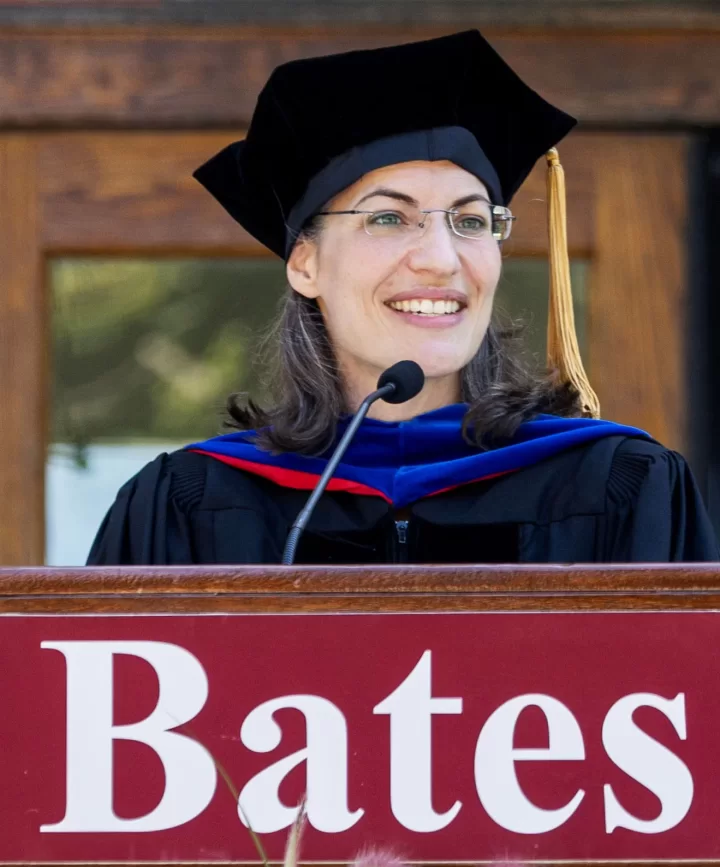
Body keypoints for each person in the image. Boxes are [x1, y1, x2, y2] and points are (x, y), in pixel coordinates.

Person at [88, 30, 719, 565]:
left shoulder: (617, 486)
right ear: (305, 264)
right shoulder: (185, 505)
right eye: (388, 219)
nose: (442, 259)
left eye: (470, 222)